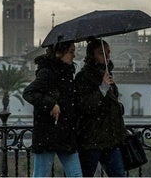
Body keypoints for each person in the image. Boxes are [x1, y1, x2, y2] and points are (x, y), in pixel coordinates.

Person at [23, 41, 82, 177]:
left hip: (64, 133)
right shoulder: (47, 73)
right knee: (41, 174)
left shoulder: (67, 73)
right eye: (71, 51)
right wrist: (50, 104)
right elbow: (29, 93)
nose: (74, 55)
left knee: (76, 174)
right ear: (60, 53)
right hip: (48, 134)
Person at [75, 38, 127, 177]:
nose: (107, 57)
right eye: (101, 53)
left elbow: (111, 102)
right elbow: (86, 106)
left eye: (108, 53)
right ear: (92, 56)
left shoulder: (108, 75)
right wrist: (103, 88)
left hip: (111, 139)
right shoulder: (82, 78)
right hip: (91, 141)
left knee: (119, 175)